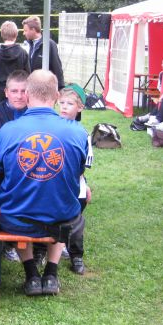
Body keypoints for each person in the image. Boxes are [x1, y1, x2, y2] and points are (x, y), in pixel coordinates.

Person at [0, 70, 88, 296]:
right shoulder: (77, 132)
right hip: (63, 218)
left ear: (27, 95)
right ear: (56, 96)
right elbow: (78, 172)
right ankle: (51, 274)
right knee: (64, 203)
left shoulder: (7, 131)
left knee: (13, 200)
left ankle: (32, 275)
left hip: (16, 220)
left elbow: (1, 173)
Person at [0, 70, 29, 262]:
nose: (19, 96)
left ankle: (41, 243)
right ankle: (5, 242)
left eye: (23, 91)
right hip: (0, 171)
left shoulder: (36, 112)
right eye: (14, 91)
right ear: (6, 92)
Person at [57, 86, 93, 274]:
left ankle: (76, 255)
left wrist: (84, 185)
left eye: (69, 103)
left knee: (76, 221)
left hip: (73, 184)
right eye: (61, 102)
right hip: (53, 182)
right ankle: (41, 250)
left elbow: (82, 166)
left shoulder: (83, 134)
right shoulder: (51, 128)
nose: (64, 107)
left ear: (80, 107)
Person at [0, 21, 30, 103]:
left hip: (0, 93)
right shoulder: (23, 53)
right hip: (18, 93)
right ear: (16, 34)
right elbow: (28, 75)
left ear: (2, 34)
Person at [22, 16, 65, 90]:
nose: (23, 33)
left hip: (46, 88)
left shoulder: (49, 44)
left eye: (25, 30)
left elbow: (57, 67)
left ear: (33, 30)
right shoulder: (31, 44)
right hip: (34, 87)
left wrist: (61, 88)